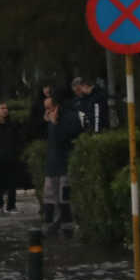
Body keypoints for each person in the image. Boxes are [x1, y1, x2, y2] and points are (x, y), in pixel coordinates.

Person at [0, 100, 30, 215]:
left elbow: (19, 140)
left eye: (6, 108)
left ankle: (11, 206)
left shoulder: (12, 126)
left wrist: (16, 152)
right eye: (2, 108)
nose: (5, 110)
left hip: (11, 159)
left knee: (11, 184)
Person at [42, 95, 80, 232]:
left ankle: (66, 224)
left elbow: (65, 139)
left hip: (64, 165)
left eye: (49, 108)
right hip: (52, 165)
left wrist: (54, 124)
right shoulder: (50, 120)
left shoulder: (68, 119)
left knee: (64, 197)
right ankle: (51, 222)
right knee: (50, 196)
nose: (47, 112)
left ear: (57, 107)